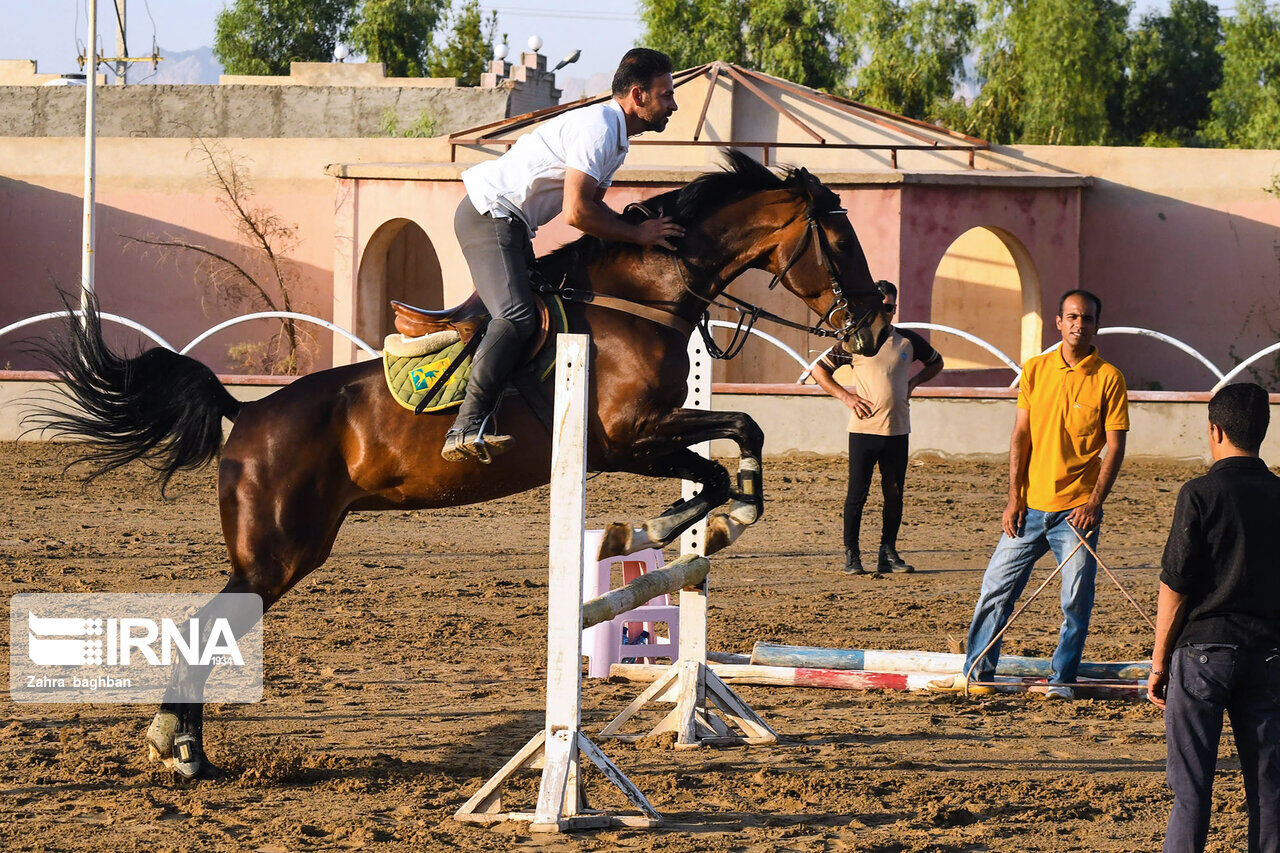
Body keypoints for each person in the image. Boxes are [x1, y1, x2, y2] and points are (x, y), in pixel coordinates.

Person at [443, 48, 683, 462]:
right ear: (639, 96)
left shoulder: (616, 139)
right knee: (517, 317)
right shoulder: (600, 130)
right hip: (490, 216)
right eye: (666, 95)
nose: (673, 105)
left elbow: (595, 211)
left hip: (513, 224)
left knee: (549, 307)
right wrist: (639, 235)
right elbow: (577, 213)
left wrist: (633, 231)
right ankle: (465, 426)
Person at [929, 290, 1128, 699]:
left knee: (1075, 602)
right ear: (1058, 321)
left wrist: (1094, 503)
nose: (1078, 324)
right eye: (1071, 317)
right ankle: (977, 674)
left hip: (1077, 513)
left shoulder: (1109, 377)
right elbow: (1020, 434)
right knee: (995, 590)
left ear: (1096, 325)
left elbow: (1116, 446)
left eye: (1086, 318)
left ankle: (1062, 680)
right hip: (1029, 508)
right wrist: (1014, 497)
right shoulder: (1035, 370)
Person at [1148, 382, 1280, 853]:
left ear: (1215, 431)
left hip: (1203, 652)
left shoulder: (1200, 492)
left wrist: (1159, 660)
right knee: (1268, 792)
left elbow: (1176, 585)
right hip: (1267, 655)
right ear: (1263, 432)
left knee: (1191, 792)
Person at [810, 281, 943, 576]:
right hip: (864, 430)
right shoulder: (856, 340)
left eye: (890, 307)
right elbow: (819, 370)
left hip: (898, 430)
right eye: (882, 306)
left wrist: (913, 383)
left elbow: (936, 362)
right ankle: (852, 555)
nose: (887, 312)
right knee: (857, 493)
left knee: (894, 493)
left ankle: (888, 552)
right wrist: (846, 396)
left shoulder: (907, 340)